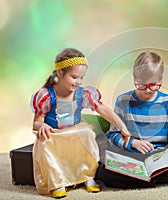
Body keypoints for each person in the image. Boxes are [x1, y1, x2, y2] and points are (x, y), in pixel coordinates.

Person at [30, 48, 131, 198]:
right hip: (55, 134)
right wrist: (43, 126)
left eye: (81, 78)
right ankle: (58, 181)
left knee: (88, 133)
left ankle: (87, 176)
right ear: (60, 74)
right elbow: (36, 123)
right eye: (74, 77)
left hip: (75, 132)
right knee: (47, 142)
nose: (78, 82)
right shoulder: (46, 95)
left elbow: (103, 110)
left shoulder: (82, 93)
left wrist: (122, 127)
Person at [95, 51, 168, 188]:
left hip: (160, 157)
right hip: (132, 157)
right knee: (103, 173)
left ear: (161, 79)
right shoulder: (122, 101)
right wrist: (134, 143)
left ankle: (149, 179)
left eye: (153, 85)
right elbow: (113, 134)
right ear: (134, 77)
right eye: (141, 85)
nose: (147, 90)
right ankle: (165, 179)